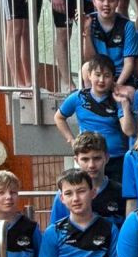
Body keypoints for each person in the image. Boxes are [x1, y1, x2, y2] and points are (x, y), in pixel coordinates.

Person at [54, 54, 130, 183]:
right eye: (97, 75)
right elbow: (59, 117)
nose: (101, 80)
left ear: (113, 78)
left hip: (117, 158)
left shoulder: (117, 98)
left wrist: (125, 104)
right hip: (89, 161)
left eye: (106, 76)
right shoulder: (78, 97)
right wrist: (71, 140)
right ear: (89, 75)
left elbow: (128, 130)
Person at [49, 131, 126, 228]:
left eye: (97, 158)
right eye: (85, 159)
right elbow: (55, 231)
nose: (91, 165)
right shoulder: (66, 194)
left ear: (106, 158)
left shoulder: (121, 192)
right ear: (76, 160)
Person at [81, 0, 138, 90]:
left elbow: (129, 64)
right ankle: (90, 98)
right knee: (86, 67)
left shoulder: (127, 25)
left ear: (117, 2)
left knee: (129, 93)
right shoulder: (89, 21)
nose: (106, 4)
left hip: (120, 76)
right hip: (99, 75)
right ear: (94, 1)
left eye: (111, 0)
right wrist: (87, 32)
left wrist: (116, 86)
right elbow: (90, 59)